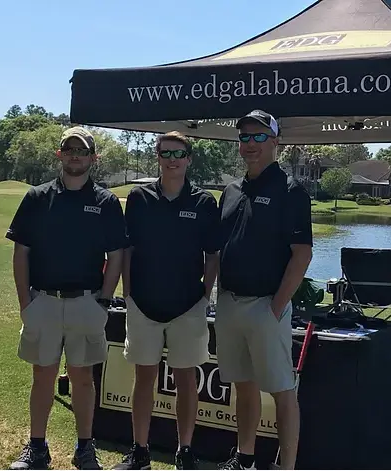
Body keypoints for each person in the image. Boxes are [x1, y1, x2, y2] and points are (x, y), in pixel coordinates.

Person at [6, 126, 127, 470]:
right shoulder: (37, 198)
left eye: (82, 150)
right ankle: (37, 448)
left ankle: (85, 448)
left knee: (83, 379)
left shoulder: (104, 202)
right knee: (42, 377)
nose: (75, 155)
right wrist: (24, 302)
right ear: (59, 154)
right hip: (42, 301)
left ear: (93, 158)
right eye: (69, 149)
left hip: (86, 302)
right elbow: (21, 253)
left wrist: (104, 300)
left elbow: (116, 255)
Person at [114, 131, 220, 470]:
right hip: (143, 304)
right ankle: (140, 451)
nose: (172, 160)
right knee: (144, 378)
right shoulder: (139, 198)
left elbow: (212, 255)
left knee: (186, 379)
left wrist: (204, 294)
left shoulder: (204, 202)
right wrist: (127, 292)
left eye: (179, 154)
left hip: (188, 306)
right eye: (166, 153)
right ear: (157, 157)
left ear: (189, 158)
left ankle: (184, 451)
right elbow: (127, 250)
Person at [215, 110, 313, 470]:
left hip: (265, 306)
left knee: (283, 391)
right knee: (243, 385)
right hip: (228, 303)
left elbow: (302, 254)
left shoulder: (290, 191)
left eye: (258, 137)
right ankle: (245, 458)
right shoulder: (231, 191)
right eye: (244, 138)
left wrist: (276, 307)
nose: (250, 144)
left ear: (275, 141)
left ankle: (285, 466)